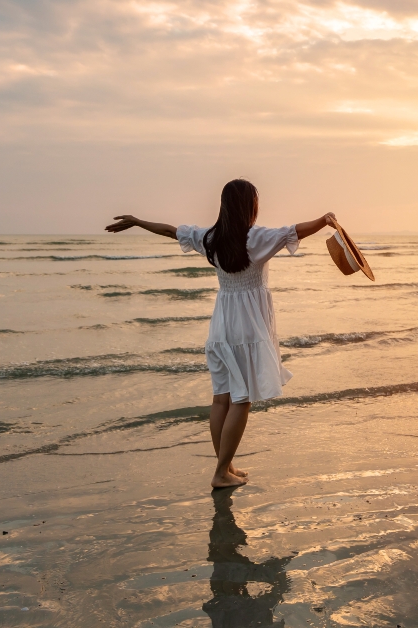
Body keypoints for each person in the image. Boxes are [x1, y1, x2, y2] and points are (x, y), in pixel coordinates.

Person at [105, 179, 336, 488]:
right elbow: (295, 231)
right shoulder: (256, 238)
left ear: (225, 206)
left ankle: (225, 467)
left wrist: (137, 222)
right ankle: (220, 473)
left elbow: (169, 230)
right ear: (250, 206)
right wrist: (325, 220)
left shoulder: (211, 238)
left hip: (220, 327)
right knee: (241, 401)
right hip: (247, 328)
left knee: (221, 400)